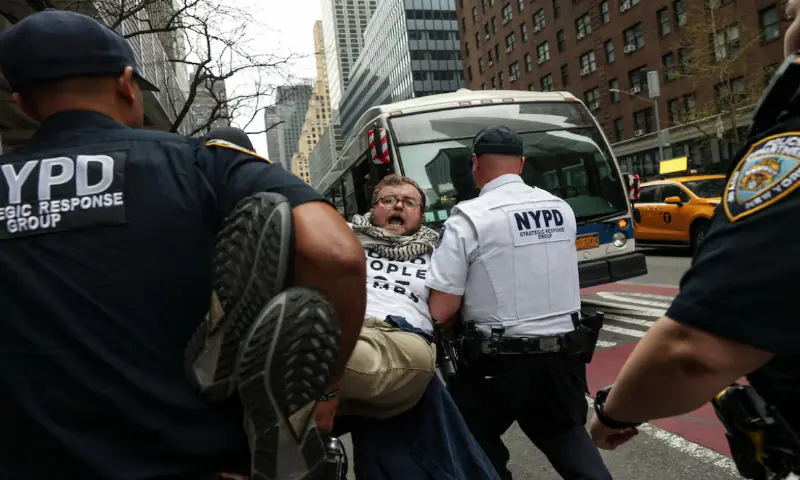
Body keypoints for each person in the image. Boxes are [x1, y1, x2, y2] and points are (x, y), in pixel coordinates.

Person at [0, 9, 366, 479]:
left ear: (24, 104)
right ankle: (222, 338)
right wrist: (326, 392)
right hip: (195, 456)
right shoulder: (201, 163)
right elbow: (332, 252)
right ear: (126, 85)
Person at [587, 0, 800, 467]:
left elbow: (694, 350)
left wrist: (612, 412)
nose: (787, 16)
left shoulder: (789, 152)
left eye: (796, 12)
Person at [425, 126, 612, 480]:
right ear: (522, 163)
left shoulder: (468, 218)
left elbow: (442, 309)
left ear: (475, 163)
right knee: (566, 436)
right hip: (563, 357)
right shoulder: (561, 209)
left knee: (476, 444)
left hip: (494, 364)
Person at [315, 174, 439, 432]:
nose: (398, 206)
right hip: (342, 330)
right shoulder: (343, 235)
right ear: (372, 210)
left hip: (400, 341)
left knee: (307, 359)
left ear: (422, 215)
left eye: (409, 203)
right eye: (389, 200)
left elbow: (445, 311)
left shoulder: (440, 251)